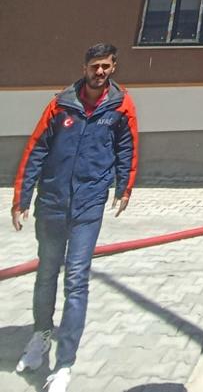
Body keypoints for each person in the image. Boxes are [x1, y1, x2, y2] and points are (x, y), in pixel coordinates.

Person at [12, 43, 138, 392]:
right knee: (46, 274)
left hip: (88, 206)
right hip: (51, 203)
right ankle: (41, 336)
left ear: (113, 67)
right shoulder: (60, 104)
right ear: (84, 68)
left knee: (76, 280)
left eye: (106, 66)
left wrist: (124, 188)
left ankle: (65, 363)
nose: (100, 72)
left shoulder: (121, 106)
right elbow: (36, 149)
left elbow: (127, 148)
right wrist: (22, 198)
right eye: (94, 66)